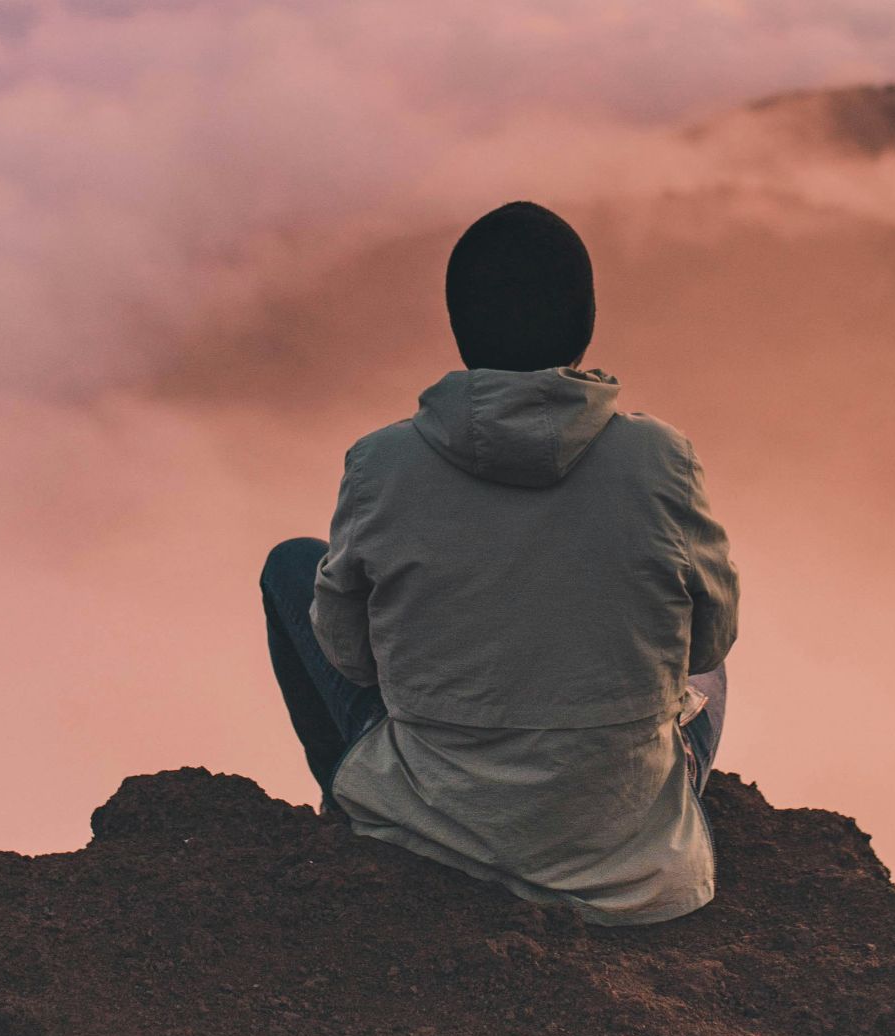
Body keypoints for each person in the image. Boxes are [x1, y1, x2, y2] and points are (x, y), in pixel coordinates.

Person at [259, 200, 738, 925]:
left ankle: (351, 809)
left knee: (292, 567)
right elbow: (707, 645)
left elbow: (350, 659)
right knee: (709, 677)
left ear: (460, 329)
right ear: (585, 324)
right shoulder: (661, 458)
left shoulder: (381, 463)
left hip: (434, 815)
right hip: (625, 851)